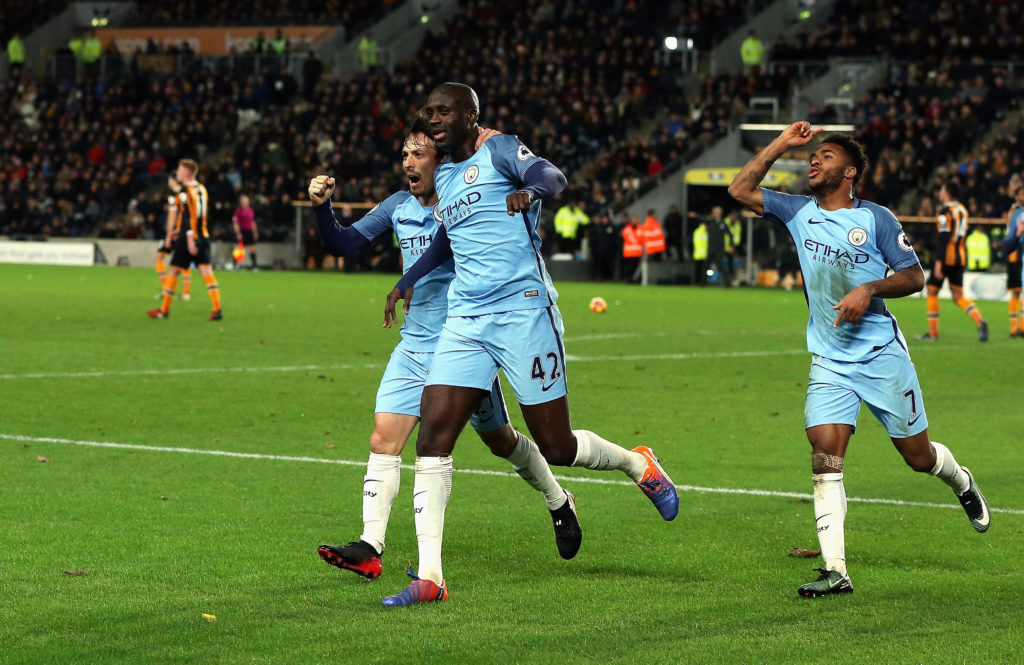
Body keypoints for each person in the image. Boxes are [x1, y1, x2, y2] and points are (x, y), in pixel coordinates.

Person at [382, 82, 678, 607]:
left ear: (470, 115)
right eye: (430, 112)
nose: (435, 119)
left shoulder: (499, 148)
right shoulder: (443, 173)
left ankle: (637, 463)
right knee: (433, 437)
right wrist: (408, 279)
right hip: (466, 319)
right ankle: (431, 577)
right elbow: (448, 235)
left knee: (557, 445)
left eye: (445, 111)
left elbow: (551, 175)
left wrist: (531, 190)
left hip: (523, 312)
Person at [310, 119, 581, 580]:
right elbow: (345, 241)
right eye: (404, 154)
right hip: (416, 342)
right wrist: (323, 207)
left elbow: (454, 247)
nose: (408, 163)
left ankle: (558, 499)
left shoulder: (466, 201)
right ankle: (370, 545)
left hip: (465, 341)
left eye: (418, 154)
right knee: (384, 438)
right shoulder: (397, 206)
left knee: (502, 442)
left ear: (442, 159)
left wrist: (405, 280)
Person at [728, 122, 990, 598]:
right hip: (830, 359)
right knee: (825, 457)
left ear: (849, 173)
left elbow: (914, 277)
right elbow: (739, 189)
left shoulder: (875, 219)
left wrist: (868, 288)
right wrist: (782, 143)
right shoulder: (797, 211)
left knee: (919, 458)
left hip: (880, 355)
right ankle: (836, 572)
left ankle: (961, 481)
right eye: (813, 155)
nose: (815, 160)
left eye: (825, 156)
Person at [148, 159, 222, 321]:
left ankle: (164, 310)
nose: (177, 172)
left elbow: (187, 215)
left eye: (180, 170)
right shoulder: (201, 188)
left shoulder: (184, 192)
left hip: (189, 237)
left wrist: (187, 237)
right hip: (203, 235)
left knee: (173, 270)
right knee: (206, 272)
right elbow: (199, 214)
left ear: (187, 173)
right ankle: (217, 309)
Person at [916, 182, 988, 342]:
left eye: (942, 189)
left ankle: (933, 334)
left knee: (932, 291)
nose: (940, 192)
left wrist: (938, 263)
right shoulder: (963, 210)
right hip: (960, 257)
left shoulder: (945, 211)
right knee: (958, 296)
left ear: (947, 192)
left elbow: (944, 237)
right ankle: (980, 320)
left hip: (946, 258)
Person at [154, 177, 191, 301]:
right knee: (181, 262)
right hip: (181, 231)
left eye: (169, 180)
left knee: (163, 259)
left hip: (177, 232)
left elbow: (174, 215)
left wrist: (169, 235)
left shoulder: (177, 195)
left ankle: (169, 289)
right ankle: (183, 292)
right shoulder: (183, 194)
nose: (168, 182)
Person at [1003, 185, 1024, 338]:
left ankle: (1021, 327)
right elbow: (1010, 236)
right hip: (1016, 255)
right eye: (1021, 194)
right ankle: (1014, 328)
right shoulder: (1015, 212)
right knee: (1016, 291)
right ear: (1016, 197)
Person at [232, 193, 259, 270]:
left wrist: (255, 232)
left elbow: (253, 222)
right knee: (239, 248)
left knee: (252, 248)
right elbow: (235, 223)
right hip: (242, 231)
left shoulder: (251, 210)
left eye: (246, 200)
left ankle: (254, 265)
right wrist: (238, 233)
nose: (244, 201)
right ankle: (235, 264)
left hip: (249, 231)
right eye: (243, 200)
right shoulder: (238, 211)